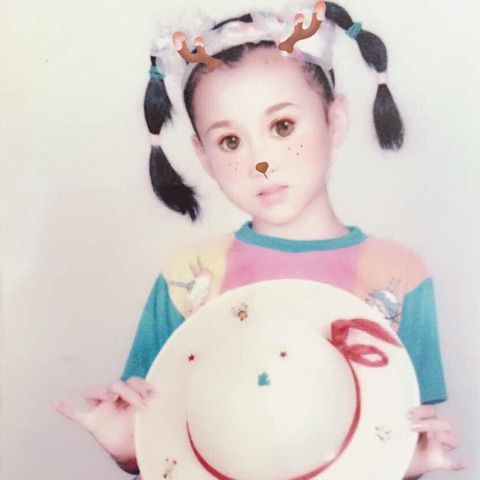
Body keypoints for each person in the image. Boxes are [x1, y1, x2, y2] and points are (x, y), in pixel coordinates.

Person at [53, 2, 465, 478]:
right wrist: (128, 447)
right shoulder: (188, 278)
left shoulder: (398, 275)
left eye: (282, 126)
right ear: (203, 155)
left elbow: (391, 438)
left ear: (334, 120)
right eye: (230, 141)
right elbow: (162, 437)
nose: (260, 163)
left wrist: (413, 461)